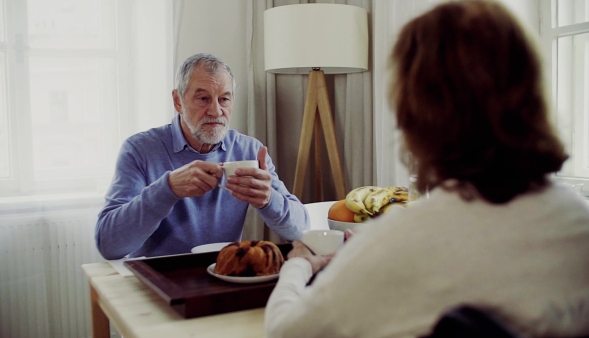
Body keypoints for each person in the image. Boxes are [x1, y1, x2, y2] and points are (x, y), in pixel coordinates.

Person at [264, 1, 589, 337]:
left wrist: (299, 263)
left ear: (414, 114)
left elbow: (287, 331)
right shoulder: (579, 225)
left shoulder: (397, 242)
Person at [95, 53, 309, 260]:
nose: (215, 111)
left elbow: (302, 231)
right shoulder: (140, 150)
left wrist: (269, 200)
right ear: (178, 101)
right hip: (158, 280)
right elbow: (109, 245)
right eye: (203, 98)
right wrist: (167, 189)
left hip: (224, 275)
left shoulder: (249, 150)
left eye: (224, 99)